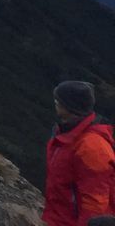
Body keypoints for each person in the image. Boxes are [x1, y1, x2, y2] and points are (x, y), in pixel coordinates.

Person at [44, 80, 115, 226]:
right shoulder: (66, 133)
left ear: (70, 107)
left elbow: (95, 201)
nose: (56, 102)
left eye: (59, 100)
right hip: (60, 219)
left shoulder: (92, 146)